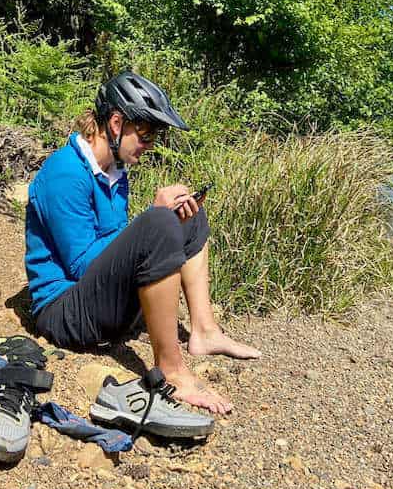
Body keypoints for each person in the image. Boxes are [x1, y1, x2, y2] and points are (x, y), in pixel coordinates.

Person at [25, 71, 260, 414]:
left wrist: (160, 223)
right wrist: (151, 219)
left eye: (155, 136)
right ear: (117, 123)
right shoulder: (65, 173)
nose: (150, 144)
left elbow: (117, 248)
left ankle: (205, 331)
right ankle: (171, 370)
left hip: (98, 302)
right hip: (63, 313)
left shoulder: (116, 174)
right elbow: (80, 266)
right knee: (158, 221)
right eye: (146, 133)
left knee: (188, 217)